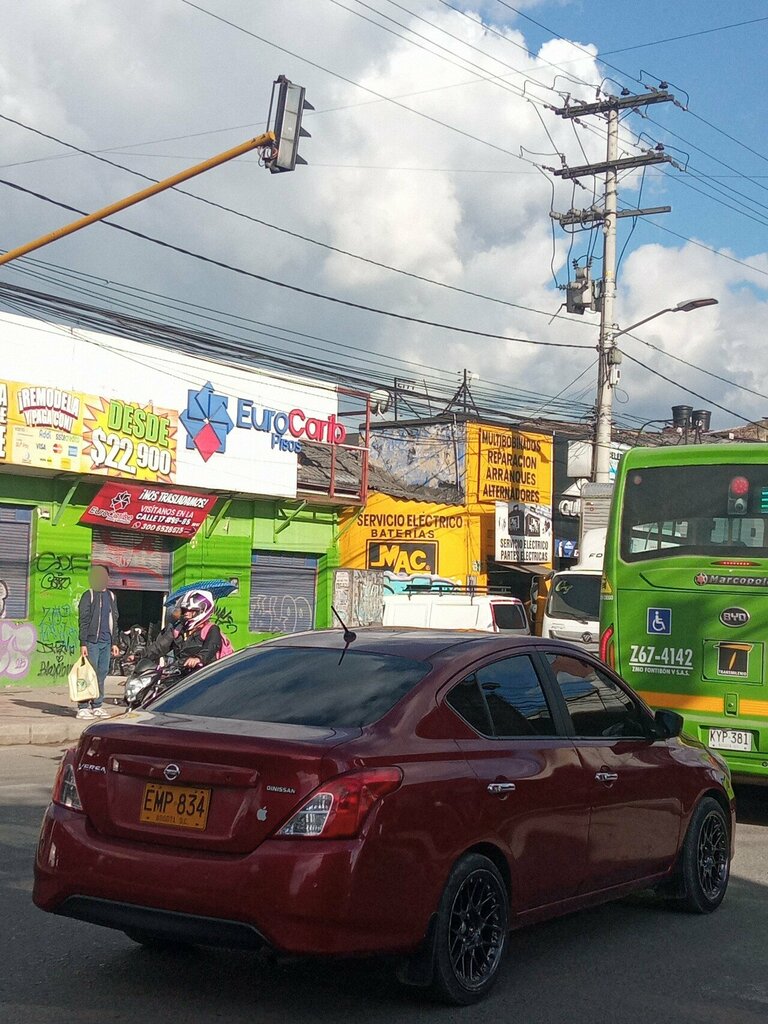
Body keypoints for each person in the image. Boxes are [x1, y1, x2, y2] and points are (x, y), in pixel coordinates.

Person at [77, 565, 120, 720]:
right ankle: (83, 706)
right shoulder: (88, 595)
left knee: (101, 673)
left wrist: (114, 642)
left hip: (106, 642)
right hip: (91, 642)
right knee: (89, 674)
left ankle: (97, 705)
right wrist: (83, 643)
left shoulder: (111, 596)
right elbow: (84, 620)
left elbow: (114, 620)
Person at [143, 590, 223, 670]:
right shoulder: (178, 629)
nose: (186, 613)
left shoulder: (211, 629)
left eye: (191, 610)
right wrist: (138, 656)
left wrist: (198, 658)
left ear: (202, 610)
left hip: (203, 675)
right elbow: (160, 647)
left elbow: (212, 646)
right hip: (179, 672)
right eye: (184, 610)